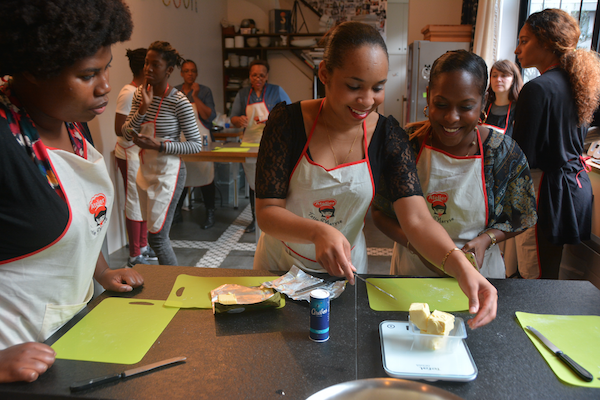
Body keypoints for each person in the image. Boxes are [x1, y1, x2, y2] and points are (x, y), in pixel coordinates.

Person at [253, 22, 497, 329]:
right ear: (325, 74)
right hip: (280, 267)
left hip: (347, 271)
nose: (367, 100)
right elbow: (266, 212)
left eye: (377, 87)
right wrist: (318, 232)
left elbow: (418, 220)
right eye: (354, 86)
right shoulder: (287, 124)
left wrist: (462, 267)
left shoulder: (388, 136)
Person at [0, 0, 144, 383]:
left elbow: (82, 216)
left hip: (71, 338)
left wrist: (102, 272)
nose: (105, 86)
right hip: (13, 357)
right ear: (33, 71)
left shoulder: (70, 121)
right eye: (88, 74)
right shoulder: (5, 143)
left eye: (107, 67)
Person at [371, 50, 537, 279]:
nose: (451, 118)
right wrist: (416, 246)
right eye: (441, 104)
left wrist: (485, 240)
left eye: (466, 107)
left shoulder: (502, 153)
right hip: (414, 274)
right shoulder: (405, 145)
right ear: (428, 97)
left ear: (483, 102)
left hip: (480, 273)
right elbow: (380, 212)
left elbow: (523, 216)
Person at [513, 9, 600, 279]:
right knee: (559, 275)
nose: (517, 49)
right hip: (576, 187)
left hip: (545, 191)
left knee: (536, 275)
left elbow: (521, 156)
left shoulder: (537, 88)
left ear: (547, 42)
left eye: (524, 41)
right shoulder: (581, 83)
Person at [122, 41, 202, 266]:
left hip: (169, 172)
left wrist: (160, 146)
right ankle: (168, 284)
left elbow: (196, 145)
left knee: (157, 237)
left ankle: (173, 287)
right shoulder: (140, 95)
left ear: (168, 70)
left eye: (154, 65)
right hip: (145, 169)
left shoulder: (179, 102)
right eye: (147, 63)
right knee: (151, 235)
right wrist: (142, 110)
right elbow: (126, 133)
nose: (148, 69)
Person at [230, 59, 291, 233]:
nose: (258, 78)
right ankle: (255, 219)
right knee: (253, 183)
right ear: (250, 76)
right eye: (254, 75)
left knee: (273, 182)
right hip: (249, 144)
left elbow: (289, 113)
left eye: (262, 75)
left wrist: (274, 118)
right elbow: (232, 118)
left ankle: (276, 219)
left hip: (273, 145)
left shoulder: (276, 91)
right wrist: (238, 120)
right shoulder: (243, 94)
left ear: (267, 76)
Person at [114, 48, 158, 267]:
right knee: (133, 202)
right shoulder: (129, 92)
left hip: (140, 153)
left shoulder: (143, 91)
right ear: (145, 68)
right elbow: (118, 129)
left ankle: (142, 246)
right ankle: (134, 254)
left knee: (143, 201)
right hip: (129, 153)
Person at [174, 59, 218, 229]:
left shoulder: (205, 91)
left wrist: (196, 96)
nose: (190, 74)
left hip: (201, 140)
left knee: (206, 176)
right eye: (186, 71)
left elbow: (209, 116)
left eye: (193, 70)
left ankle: (210, 212)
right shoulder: (175, 92)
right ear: (181, 73)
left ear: (197, 73)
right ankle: (176, 212)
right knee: (181, 177)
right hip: (181, 141)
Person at [480, 59, 523, 137]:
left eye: (504, 75)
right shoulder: (483, 106)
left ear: (514, 80)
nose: (498, 79)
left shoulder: (520, 110)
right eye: (494, 75)